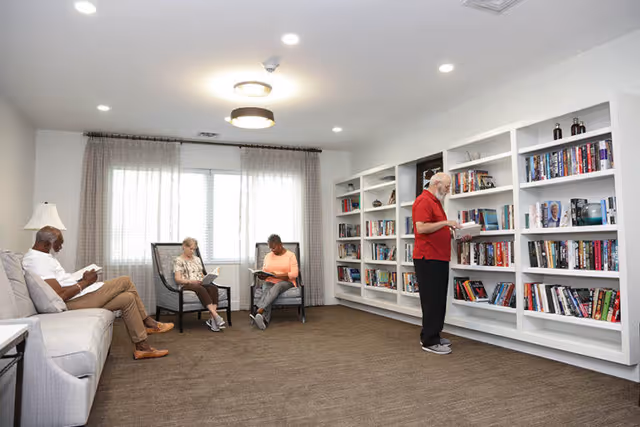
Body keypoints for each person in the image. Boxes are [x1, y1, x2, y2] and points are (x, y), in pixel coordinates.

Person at [23, 226, 173, 360]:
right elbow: (59, 295)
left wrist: (79, 277)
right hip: (69, 303)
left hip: (75, 297)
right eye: (58, 244)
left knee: (127, 298)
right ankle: (148, 322)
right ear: (46, 244)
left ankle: (143, 348)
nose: (61, 247)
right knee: (125, 281)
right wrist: (85, 282)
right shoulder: (38, 261)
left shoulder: (42, 257)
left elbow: (59, 283)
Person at [412, 173, 470, 355]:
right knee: (431, 300)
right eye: (447, 186)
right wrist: (445, 222)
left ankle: (434, 334)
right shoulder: (424, 201)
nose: (448, 189)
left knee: (438, 299)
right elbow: (420, 227)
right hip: (427, 258)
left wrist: (455, 232)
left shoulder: (436, 202)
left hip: (439, 257)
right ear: (436, 183)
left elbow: (436, 229)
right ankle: (429, 341)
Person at [173, 237, 226, 332]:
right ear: (184, 246)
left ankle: (213, 320)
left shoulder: (197, 259)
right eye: (191, 249)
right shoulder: (179, 260)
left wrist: (205, 279)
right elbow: (177, 279)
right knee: (200, 288)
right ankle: (215, 315)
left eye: (194, 249)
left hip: (198, 283)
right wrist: (191, 281)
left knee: (213, 288)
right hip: (187, 284)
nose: (192, 251)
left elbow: (201, 275)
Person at [250, 234, 298, 330]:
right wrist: (262, 276)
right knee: (266, 290)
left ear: (280, 244)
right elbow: (265, 271)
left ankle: (259, 310)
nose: (272, 250)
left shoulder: (290, 256)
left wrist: (277, 275)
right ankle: (263, 320)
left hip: (286, 282)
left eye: (274, 248)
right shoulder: (268, 256)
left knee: (278, 286)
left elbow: (294, 274)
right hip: (269, 281)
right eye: (270, 248)